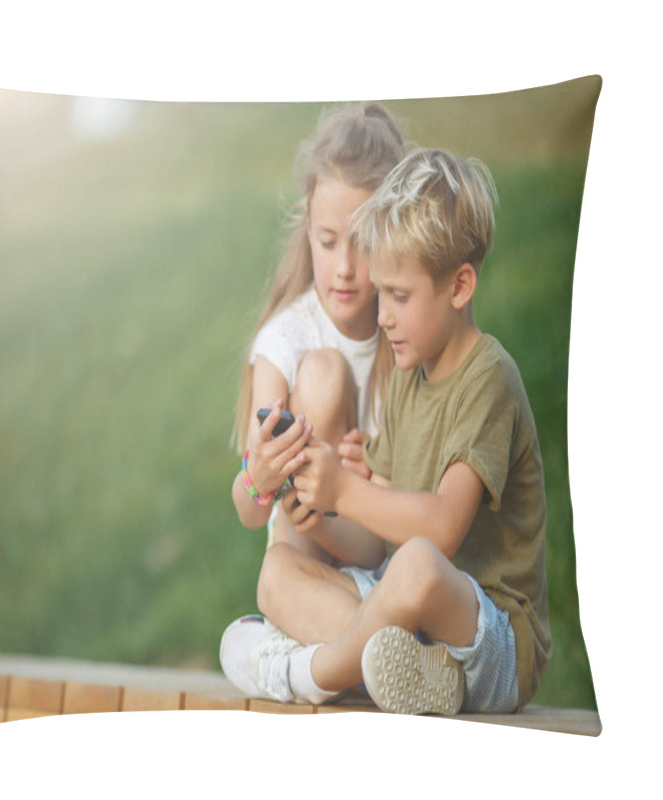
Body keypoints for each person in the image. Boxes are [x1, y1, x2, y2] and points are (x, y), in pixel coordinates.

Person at [221, 148, 552, 716]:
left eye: (398, 297)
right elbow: (374, 544)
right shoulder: (408, 375)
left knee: (418, 563)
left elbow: (442, 530)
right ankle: (404, 673)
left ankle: (308, 672)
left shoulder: (488, 378)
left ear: (460, 285)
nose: (383, 317)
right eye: (383, 295)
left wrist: (348, 491)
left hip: (487, 635)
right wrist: (321, 513)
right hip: (407, 623)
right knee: (277, 573)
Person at [230, 102, 404, 568]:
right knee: (276, 578)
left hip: (374, 551)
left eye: (363, 243)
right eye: (328, 243)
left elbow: (395, 525)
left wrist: (371, 478)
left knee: (281, 587)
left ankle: (356, 633)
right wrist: (260, 475)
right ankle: (360, 631)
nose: (345, 269)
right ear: (307, 227)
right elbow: (248, 510)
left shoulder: (404, 338)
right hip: (304, 558)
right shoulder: (286, 339)